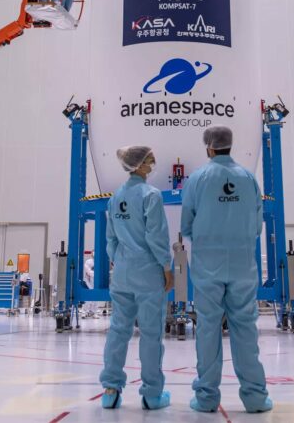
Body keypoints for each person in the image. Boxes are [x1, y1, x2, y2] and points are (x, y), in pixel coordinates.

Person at [180, 126, 273, 414]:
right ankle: (256, 398)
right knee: (245, 328)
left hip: (208, 265)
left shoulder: (197, 179)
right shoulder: (248, 178)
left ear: (209, 147)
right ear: (230, 146)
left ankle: (207, 397)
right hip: (243, 263)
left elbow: (185, 226)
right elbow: (258, 225)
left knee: (208, 328)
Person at [99, 146, 174, 411]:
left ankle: (110, 390)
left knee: (119, 330)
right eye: (150, 160)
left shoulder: (115, 197)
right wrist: (166, 266)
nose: (153, 164)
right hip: (148, 273)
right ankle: (152, 394)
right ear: (139, 165)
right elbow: (157, 236)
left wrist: (120, 261)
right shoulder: (151, 196)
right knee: (151, 334)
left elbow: (110, 239)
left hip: (121, 273)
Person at [82, 251, 97, 317]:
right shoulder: (88, 262)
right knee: (88, 296)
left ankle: (93, 312)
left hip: (96, 282)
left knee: (96, 296)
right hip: (88, 281)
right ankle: (84, 311)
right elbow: (89, 272)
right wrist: (96, 273)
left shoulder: (100, 262)